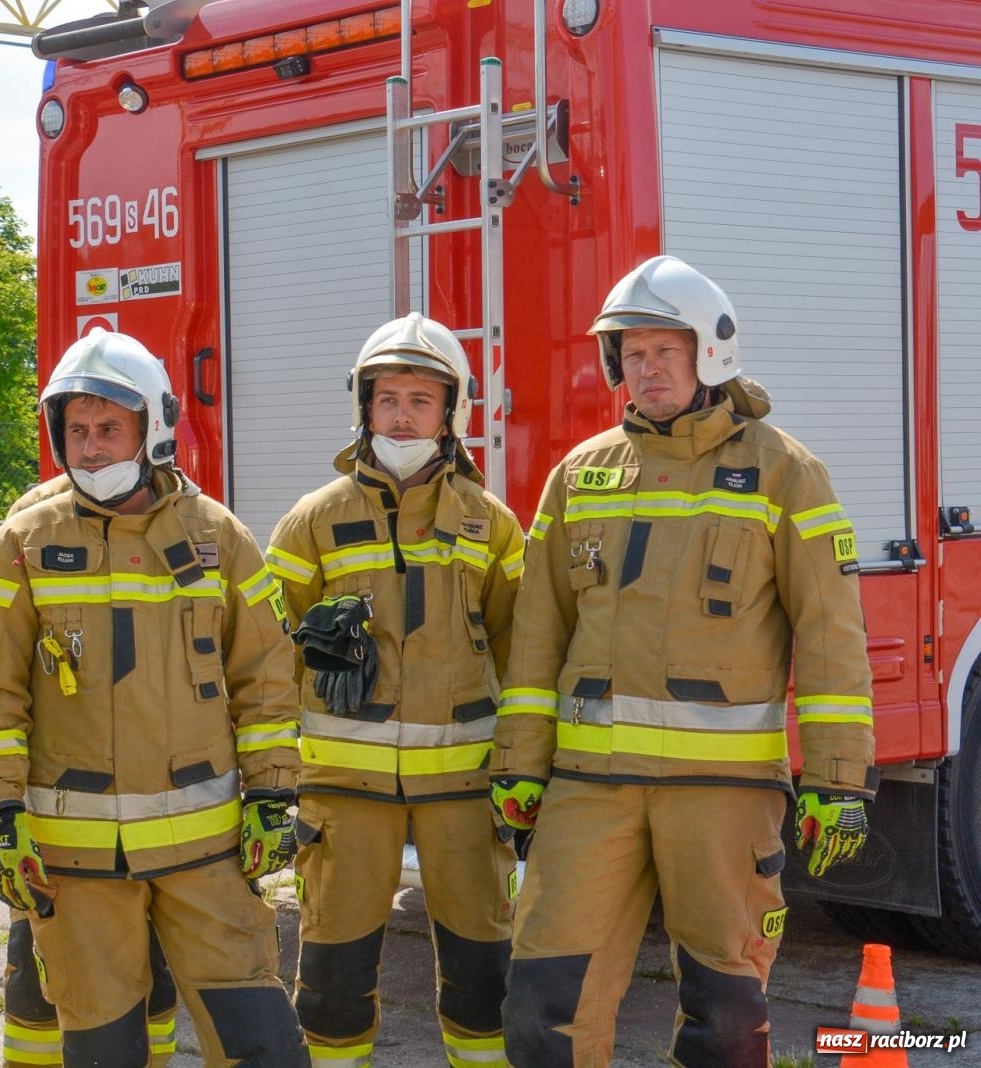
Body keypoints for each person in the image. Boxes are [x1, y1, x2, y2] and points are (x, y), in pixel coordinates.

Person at [492, 255, 876, 1066]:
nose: (646, 369)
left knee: (725, 1024)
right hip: (590, 792)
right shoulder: (579, 477)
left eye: (664, 350)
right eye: (630, 354)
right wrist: (520, 765)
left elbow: (832, 633)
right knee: (540, 1012)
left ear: (711, 354)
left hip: (723, 795)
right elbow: (537, 636)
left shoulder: (785, 472)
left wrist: (839, 782)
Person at [0, 329, 309, 1067]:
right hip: (76, 865)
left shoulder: (218, 536)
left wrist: (273, 797)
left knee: (263, 1045)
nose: (90, 449)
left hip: (206, 855)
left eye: (109, 429)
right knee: (104, 1051)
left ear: (151, 429)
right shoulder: (22, 542)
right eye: (75, 431)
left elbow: (267, 677)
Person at [265, 313, 523, 1067]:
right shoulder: (313, 521)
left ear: (452, 413)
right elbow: (266, 657)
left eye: (420, 399)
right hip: (343, 790)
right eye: (387, 399)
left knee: (482, 979)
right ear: (364, 409)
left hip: (464, 792)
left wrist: (524, 768)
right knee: (331, 982)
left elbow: (523, 652)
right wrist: (270, 778)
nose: (402, 414)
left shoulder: (491, 524)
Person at [0, 472, 182, 1068]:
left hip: (159, 812)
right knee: (41, 971)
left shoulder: (181, 515)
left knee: (152, 973)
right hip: (64, 819)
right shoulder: (36, 515)